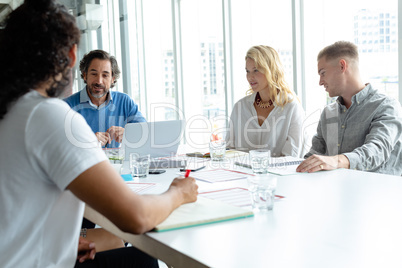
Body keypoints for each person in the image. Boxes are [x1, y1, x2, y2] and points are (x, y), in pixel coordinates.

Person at [0, 1, 198, 268]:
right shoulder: (50, 115)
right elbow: (136, 217)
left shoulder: (11, 110)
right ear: (72, 57)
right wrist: (179, 192)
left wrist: (60, 239)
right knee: (145, 257)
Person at [296, 41, 402, 175]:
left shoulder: (386, 106)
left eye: (323, 73)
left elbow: (377, 151)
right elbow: (315, 154)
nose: (320, 82)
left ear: (342, 66)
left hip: (378, 191)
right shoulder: (328, 113)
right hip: (335, 190)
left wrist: (337, 161)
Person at [226, 45, 305, 157]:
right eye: (247, 71)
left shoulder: (291, 106)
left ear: (271, 70)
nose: (250, 77)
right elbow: (229, 150)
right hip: (242, 173)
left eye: (256, 70)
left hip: (279, 173)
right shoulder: (240, 107)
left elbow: (291, 157)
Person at [64, 49, 146, 148]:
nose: (99, 81)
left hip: (117, 162)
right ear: (85, 75)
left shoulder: (125, 101)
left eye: (105, 75)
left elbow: (145, 133)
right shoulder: (66, 106)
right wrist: (88, 142)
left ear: (113, 79)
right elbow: (58, 147)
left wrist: (128, 134)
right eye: (94, 74)